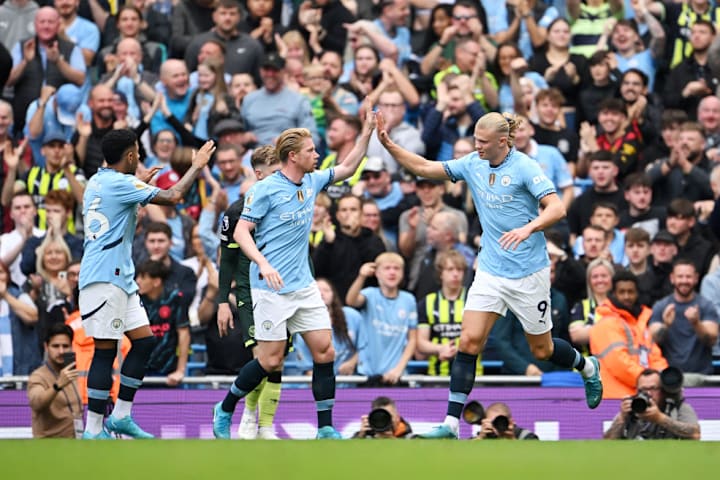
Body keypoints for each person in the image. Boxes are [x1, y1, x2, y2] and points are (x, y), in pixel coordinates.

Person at [376, 111, 603, 439]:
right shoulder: (473, 162)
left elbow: (557, 208)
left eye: (482, 142)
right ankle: (451, 425)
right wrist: (390, 145)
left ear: (502, 141)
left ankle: (588, 367)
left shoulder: (524, 166)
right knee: (468, 341)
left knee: (542, 350)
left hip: (528, 273)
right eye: (475, 141)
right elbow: (426, 167)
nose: (476, 146)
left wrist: (529, 228)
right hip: (491, 270)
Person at [212, 100, 375, 440]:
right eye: (311, 151)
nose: (317, 155)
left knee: (325, 351)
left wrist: (368, 132)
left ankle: (326, 427)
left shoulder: (312, 182)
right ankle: (226, 406)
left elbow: (347, 167)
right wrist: (263, 263)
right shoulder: (266, 189)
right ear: (293, 157)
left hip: (303, 286)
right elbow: (241, 231)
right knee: (270, 361)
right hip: (269, 288)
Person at [79, 129, 215, 439]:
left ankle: (122, 417)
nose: (140, 156)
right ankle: (93, 429)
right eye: (137, 152)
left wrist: (143, 186)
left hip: (120, 279)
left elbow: (124, 217)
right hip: (102, 278)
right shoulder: (121, 183)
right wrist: (198, 165)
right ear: (128, 156)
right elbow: (175, 196)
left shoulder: (98, 181)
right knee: (105, 350)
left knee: (144, 342)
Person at [216, 144, 284, 440]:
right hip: (250, 291)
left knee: (277, 358)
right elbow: (227, 260)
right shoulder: (235, 212)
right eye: (275, 172)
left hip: (283, 288)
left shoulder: (287, 205)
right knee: (261, 355)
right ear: (259, 174)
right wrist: (222, 302)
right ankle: (247, 414)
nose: (282, 177)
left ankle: (266, 425)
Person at [589, 271, 668, 399]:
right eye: (622, 292)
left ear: (637, 294)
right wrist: (650, 382)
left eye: (631, 292)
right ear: (613, 294)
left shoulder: (640, 324)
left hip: (642, 395)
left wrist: (663, 378)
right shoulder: (606, 323)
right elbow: (619, 363)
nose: (626, 296)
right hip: (615, 399)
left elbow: (655, 357)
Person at [346, 252, 418, 383]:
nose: (392, 272)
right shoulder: (369, 294)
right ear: (377, 273)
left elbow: (412, 339)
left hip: (395, 375)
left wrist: (398, 369)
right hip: (367, 374)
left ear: (402, 273)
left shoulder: (409, 300)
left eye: (396, 268)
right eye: (387, 268)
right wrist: (361, 276)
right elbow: (351, 301)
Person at [649, 259, 719, 376]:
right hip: (670, 377)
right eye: (680, 276)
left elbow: (711, 340)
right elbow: (652, 341)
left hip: (701, 375)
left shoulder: (706, 306)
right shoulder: (661, 306)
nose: (684, 281)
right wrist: (666, 325)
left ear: (696, 278)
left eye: (688, 277)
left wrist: (696, 323)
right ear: (672, 278)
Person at [604, 368, 701, 440]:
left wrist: (660, 419)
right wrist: (622, 418)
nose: (648, 393)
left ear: (663, 390)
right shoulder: (631, 409)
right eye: (643, 390)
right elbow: (607, 443)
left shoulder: (678, 407)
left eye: (653, 388)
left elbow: (695, 434)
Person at [27, 323, 82, 438]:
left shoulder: (73, 373)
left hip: (74, 443)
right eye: (56, 346)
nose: (61, 351)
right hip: (48, 445)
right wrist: (57, 386)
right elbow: (37, 403)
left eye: (65, 346)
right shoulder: (38, 376)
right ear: (46, 347)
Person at [473, 402, 538, 440]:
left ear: (511, 422)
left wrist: (512, 440)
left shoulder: (525, 436)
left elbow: (536, 456)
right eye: (493, 422)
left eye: (501, 421)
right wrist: (480, 438)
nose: (497, 425)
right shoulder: (481, 437)